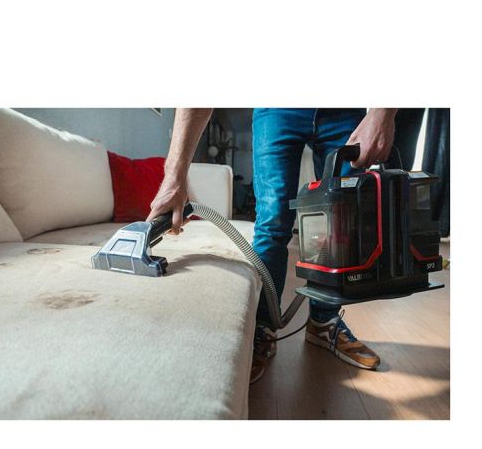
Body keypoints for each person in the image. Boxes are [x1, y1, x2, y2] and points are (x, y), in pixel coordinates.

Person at [147, 108, 397, 383]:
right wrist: (174, 177)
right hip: (277, 109)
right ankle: (264, 326)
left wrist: (382, 114)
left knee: (342, 218)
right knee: (273, 221)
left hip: (344, 107)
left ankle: (324, 322)